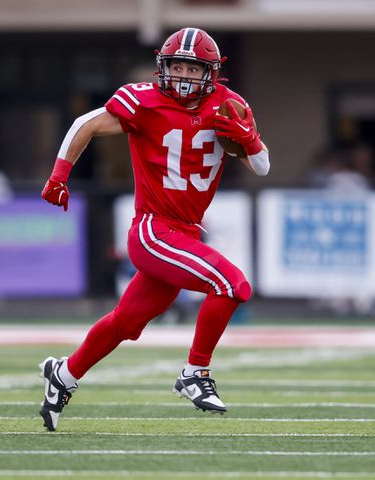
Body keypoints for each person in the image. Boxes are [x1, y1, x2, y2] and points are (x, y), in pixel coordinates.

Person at [37, 28, 269, 431]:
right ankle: (195, 373)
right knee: (232, 286)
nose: (182, 75)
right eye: (175, 66)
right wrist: (60, 175)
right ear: (163, 67)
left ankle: (64, 375)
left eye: (191, 68)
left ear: (210, 73)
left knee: (127, 323)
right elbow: (85, 123)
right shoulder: (143, 100)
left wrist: (249, 141)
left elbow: (262, 167)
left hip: (186, 232)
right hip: (153, 230)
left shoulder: (229, 105)